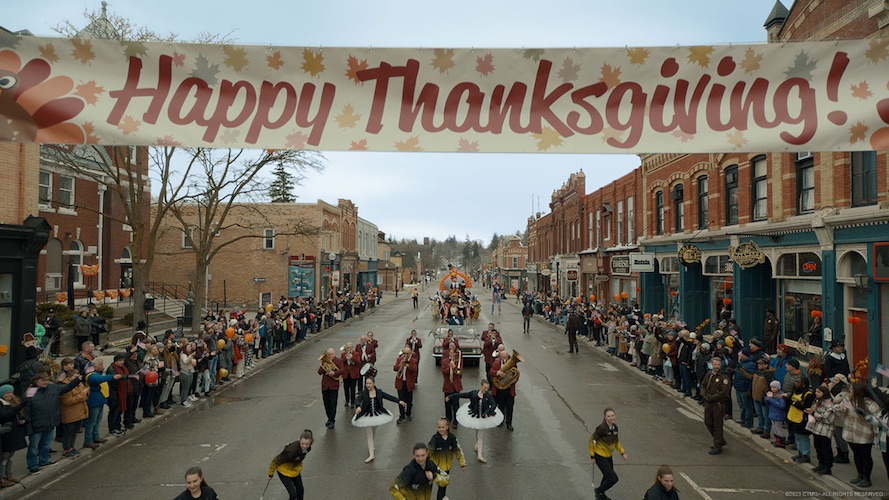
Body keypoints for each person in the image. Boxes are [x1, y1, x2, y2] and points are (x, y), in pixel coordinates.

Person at [24, 373, 82, 473]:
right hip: (36, 425)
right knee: (33, 447)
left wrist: (77, 380)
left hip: (50, 423)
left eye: (47, 380)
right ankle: (32, 465)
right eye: (42, 380)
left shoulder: (53, 388)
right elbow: (26, 410)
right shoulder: (30, 392)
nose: (45, 382)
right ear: (36, 381)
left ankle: (44, 461)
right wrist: (28, 426)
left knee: (46, 445)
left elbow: (67, 387)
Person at [447, 378, 502, 463]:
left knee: (480, 435)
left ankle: (479, 455)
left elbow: (494, 405)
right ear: (481, 386)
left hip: (484, 418)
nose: (486, 390)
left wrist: (487, 412)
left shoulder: (488, 396)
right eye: (485, 388)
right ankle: (476, 444)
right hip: (475, 415)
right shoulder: (473, 393)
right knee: (477, 430)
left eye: (487, 388)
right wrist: (450, 396)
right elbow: (462, 395)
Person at [838, 382, 881, 489]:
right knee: (856, 454)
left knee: (865, 456)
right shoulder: (848, 400)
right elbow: (841, 412)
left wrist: (876, 436)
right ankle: (860, 474)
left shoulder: (870, 404)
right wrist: (840, 408)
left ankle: (867, 478)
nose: (849, 392)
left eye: (851, 390)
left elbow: (877, 421)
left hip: (864, 435)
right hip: (850, 433)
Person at [352, 376, 405, 463]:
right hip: (366, 416)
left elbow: (388, 396)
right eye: (366, 384)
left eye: (369, 383)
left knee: (373, 432)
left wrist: (399, 401)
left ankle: (371, 446)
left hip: (377, 415)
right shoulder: (364, 393)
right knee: (369, 434)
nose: (368, 385)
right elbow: (357, 400)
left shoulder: (379, 392)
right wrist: (358, 407)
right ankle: (371, 455)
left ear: (373, 383)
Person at [589, 407, 628, 500]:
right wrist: (592, 456)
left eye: (613, 415)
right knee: (613, 478)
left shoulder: (615, 428)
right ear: (605, 417)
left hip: (608, 457)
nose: (611, 417)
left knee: (607, 476)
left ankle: (601, 495)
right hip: (600, 456)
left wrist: (623, 453)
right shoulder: (601, 428)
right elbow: (591, 441)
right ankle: (598, 491)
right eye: (609, 416)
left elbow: (616, 442)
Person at [84, 358, 122, 449]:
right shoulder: (91, 375)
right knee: (91, 422)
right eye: (100, 365)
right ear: (94, 366)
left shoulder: (98, 373)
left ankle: (96, 437)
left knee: (97, 421)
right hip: (94, 401)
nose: (102, 366)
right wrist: (112, 377)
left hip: (100, 400)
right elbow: (98, 379)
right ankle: (88, 440)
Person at [268, 430, 314, 500]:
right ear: (299, 441)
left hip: (295, 470)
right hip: (283, 471)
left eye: (307, 444)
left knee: (300, 491)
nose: (304, 446)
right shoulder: (290, 451)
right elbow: (276, 460)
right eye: (302, 443)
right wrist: (270, 474)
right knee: (293, 495)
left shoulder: (308, 448)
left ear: (311, 442)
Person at [427, 417, 466, 500]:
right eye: (439, 427)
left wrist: (462, 463)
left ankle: (442, 497)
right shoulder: (435, 439)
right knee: (441, 486)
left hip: (447, 467)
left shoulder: (452, 438)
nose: (441, 429)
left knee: (444, 485)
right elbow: (429, 451)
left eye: (443, 427)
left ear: (447, 427)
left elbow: (458, 450)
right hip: (437, 467)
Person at [701, 356, 731, 455]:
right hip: (708, 402)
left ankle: (717, 445)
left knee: (717, 425)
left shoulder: (724, 377)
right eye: (715, 364)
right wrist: (704, 395)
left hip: (718, 403)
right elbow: (703, 385)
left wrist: (712, 397)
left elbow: (724, 392)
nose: (716, 366)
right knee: (708, 422)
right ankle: (719, 440)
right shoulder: (709, 374)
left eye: (718, 365)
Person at [805, 385, 836, 475]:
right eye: (816, 391)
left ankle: (827, 467)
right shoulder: (817, 401)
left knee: (825, 449)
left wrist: (814, 413)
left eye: (819, 392)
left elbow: (827, 418)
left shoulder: (830, 404)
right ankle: (821, 464)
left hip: (825, 430)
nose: (816, 393)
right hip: (816, 429)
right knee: (818, 447)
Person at [0, 385, 27, 487]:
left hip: (15, 433)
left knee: (11, 456)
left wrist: (22, 420)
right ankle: (1, 478)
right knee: (4, 457)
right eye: (7, 393)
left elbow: (18, 415)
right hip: (6, 435)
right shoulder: (2, 405)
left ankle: (8, 475)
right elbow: (5, 416)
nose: (10, 394)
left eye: (11, 392)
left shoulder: (14, 402)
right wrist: (18, 407)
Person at [490, 348, 518, 431]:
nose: (505, 358)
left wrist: (514, 380)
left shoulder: (513, 364)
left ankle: (509, 423)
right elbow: (491, 372)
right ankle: (500, 421)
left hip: (509, 389)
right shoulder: (496, 363)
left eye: (506, 356)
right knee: (501, 406)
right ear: (500, 357)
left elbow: (516, 373)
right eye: (503, 357)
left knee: (510, 407)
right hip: (500, 389)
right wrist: (498, 373)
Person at [319, 347, 345, 429]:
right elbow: (319, 372)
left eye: (332, 354)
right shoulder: (324, 361)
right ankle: (329, 418)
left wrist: (334, 372)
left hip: (334, 386)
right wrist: (324, 366)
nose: (330, 356)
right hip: (325, 386)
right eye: (329, 354)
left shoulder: (338, 361)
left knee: (333, 403)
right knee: (326, 403)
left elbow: (342, 370)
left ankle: (332, 420)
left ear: (335, 354)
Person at [394, 346, 418, 424]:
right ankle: (402, 415)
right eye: (404, 353)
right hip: (400, 382)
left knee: (409, 400)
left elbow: (415, 370)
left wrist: (408, 365)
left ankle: (408, 414)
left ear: (410, 353)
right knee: (401, 400)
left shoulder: (413, 360)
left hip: (409, 383)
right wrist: (400, 365)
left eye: (407, 353)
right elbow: (395, 368)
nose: (405, 355)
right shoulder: (399, 359)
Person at [442, 344, 463, 427]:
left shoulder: (459, 361)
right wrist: (448, 367)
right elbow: (444, 372)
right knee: (447, 404)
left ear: (455, 354)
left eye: (452, 353)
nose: (451, 354)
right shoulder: (444, 361)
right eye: (450, 353)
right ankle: (448, 419)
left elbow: (460, 372)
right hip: (448, 385)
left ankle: (455, 420)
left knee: (456, 404)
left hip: (456, 386)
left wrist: (454, 367)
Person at [341, 342, 360, 409]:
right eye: (347, 347)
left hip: (353, 374)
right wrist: (345, 357)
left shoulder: (356, 354)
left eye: (350, 347)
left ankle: (352, 402)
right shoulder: (343, 354)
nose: (349, 349)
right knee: (346, 388)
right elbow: (341, 362)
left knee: (352, 388)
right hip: (346, 374)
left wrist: (352, 357)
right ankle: (347, 400)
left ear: (352, 347)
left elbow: (358, 362)